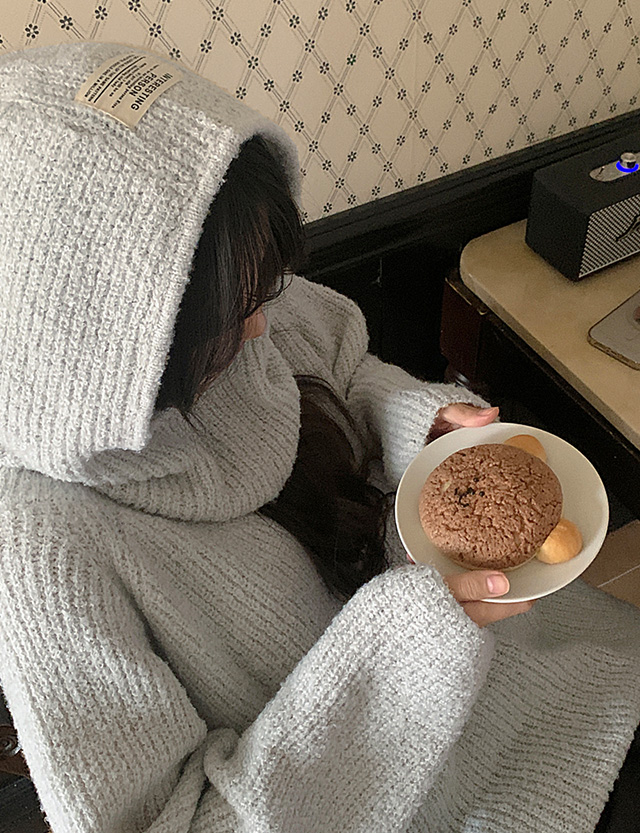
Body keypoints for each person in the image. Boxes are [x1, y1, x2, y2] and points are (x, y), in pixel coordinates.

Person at [0, 42, 638, 833]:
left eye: (260, 289)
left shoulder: (238, 301)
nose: (261, 326)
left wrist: (422, 426)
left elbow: (347, 369)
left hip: (534, 674)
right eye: (229, 316)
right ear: (94, 334)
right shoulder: (44, 554)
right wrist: (408, 642)